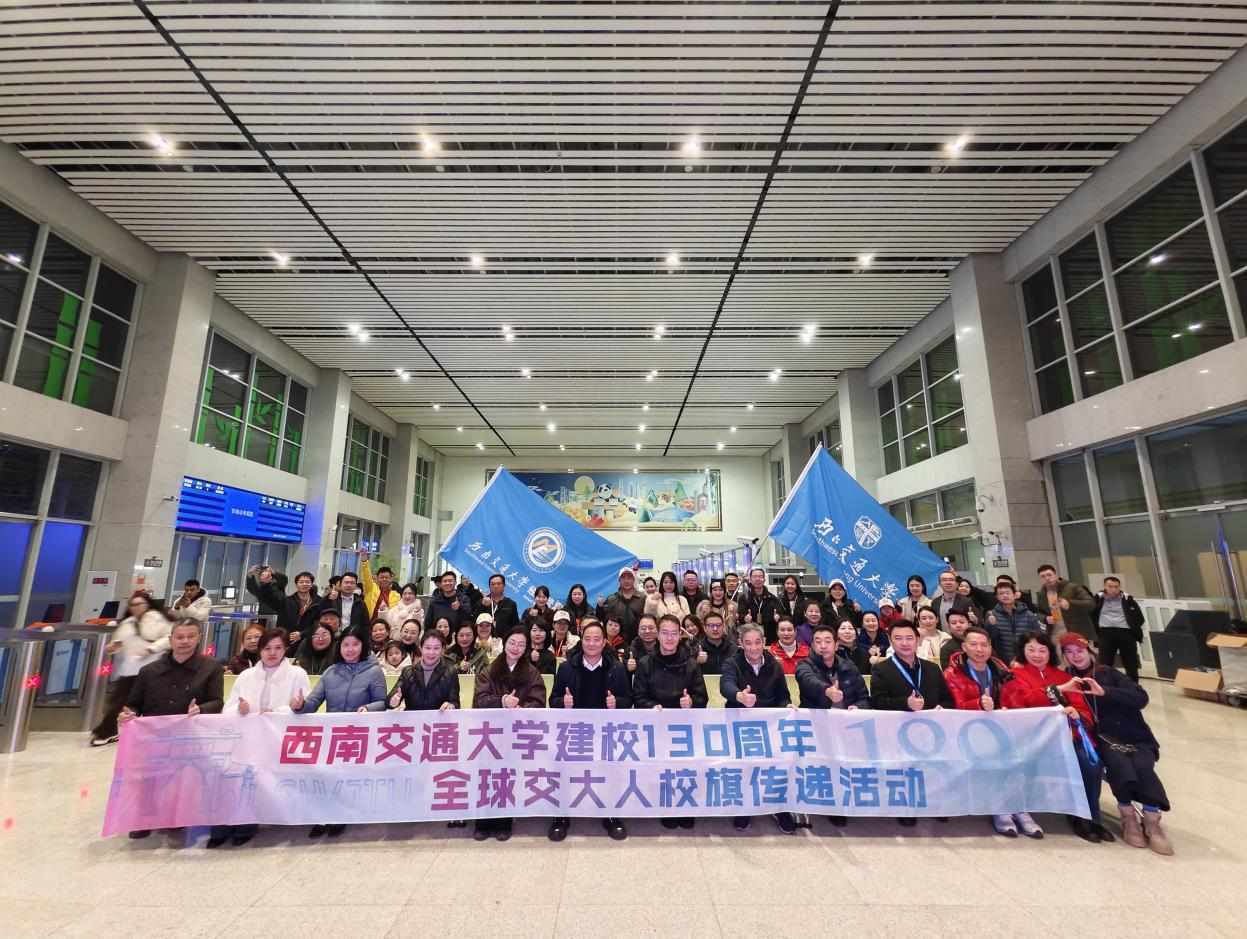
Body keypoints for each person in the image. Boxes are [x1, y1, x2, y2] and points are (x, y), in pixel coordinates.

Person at [1060, 632, 1172, 855]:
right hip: (1102, 739)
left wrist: (1105, 692)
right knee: (1119, 765)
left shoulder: (1108, 673)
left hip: (1135, 736)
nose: (1076, 656)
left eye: (1079, 650)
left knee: (1143, 766)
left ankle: (1152, 821)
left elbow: (1141, 698)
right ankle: (1128, 817)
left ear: (1089, 651)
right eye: (1069, 652)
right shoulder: (1067, 680)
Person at [118, 617, 224, 840]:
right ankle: (144, 820)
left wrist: (201, 709)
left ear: (199, 638)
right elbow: (134, 703)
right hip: (154, 736)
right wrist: (128, 714)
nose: (185, 641)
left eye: (190, 636)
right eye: (180, 637)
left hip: (190, 736)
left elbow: (217, 702)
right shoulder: (149, 671)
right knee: (149, 780)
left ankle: (178, 817)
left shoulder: (211, 668)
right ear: (171, 639)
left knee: (184, 780)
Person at [1003, 631, 1111, 843]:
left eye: (1042, 650)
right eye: (1031, 650)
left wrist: (1077, 714)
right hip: (1031, 740)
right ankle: (1076, 813)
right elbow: (1020, 703)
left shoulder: (1064, 676)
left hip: (1066, 736)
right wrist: (1056, 691)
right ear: (1022, 652)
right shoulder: (1014, 675)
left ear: (1050, 653)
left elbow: (1082, 707)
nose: (1037, 655)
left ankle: (1089, 816)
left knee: (1090, 764)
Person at [213, 628, 310, 847]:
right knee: (239, 778)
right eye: (267, 648)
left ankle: (253, 823)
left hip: (280, 739)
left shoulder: (297, 674)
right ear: (260, 650)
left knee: (263, 781)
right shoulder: (246, 676)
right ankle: (230, 824)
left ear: (285, 649)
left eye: (278, 648)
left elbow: (304, 706)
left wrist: (280, 711)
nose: (272, 653)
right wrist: (241, 710)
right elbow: (229, 708)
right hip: (248, 739)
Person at [942, 627, 1038, 838]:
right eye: (973, 644)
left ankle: (1020, 809)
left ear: (990, 647)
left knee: (1019, 755)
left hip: (1001, 728)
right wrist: (978, 703)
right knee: (995, 756)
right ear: (964, 647)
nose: (979, 649)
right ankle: (1001, 809)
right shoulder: (952, 674)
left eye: (984, 645)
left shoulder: (1002, 670)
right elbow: (955, 706)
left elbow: (1015, 699)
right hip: (967, 732)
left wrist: (1006, 709)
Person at [295, 628, 386, 838]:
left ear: (363, 646)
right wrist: (300, 706)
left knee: (346, 779)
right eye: (346, 645)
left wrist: (368, 708)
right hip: (332, 735)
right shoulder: (331, 672)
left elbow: (383, 702)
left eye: (355, 644)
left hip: (359, 736)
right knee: (326, 777)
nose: (350, 649)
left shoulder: (374, 671)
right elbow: (313, 702)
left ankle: (340, 816)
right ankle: (322, 816)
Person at [548, 620, 633, 841]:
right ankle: (561, 816)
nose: (592, 643)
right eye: (587, 639)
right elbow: (553, 700)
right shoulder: (567, 667)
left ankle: (611, 814)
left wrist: (617, 703)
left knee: (609, 771)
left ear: (604, 642)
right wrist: (563, 702)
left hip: (606, 732)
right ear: (581, 641)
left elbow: (628, 700)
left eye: (597, 639)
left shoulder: (617, 668)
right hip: (574, 731)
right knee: (566, 772)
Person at [869, 619, 953, 826]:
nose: (904, 643)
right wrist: (905, 703)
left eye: (909, 638)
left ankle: (934, 804)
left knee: (931, 768)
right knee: (904, 770)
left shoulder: (932, 668)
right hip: (898, 732)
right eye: (898, 638)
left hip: (930, 731)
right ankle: (906, 807)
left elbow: (947, 699)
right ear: (891, 641)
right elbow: (877, 703)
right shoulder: (881, 669)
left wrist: (941, 708)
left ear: (918, 640)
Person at [633, 615, 709, 829]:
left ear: (680, 636)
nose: (669, 638)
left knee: (684, 769)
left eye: (674, 633)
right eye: (665, 633)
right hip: (656, 727)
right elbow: (638, 697)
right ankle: (666, 806)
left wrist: (691, 702)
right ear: (657, 635)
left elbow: (702, 698)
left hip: (684, 728)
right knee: (663, 770)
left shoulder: (691, 664)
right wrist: (651, 707)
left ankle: (685, 806)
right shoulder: (645, 663)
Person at [721, 624, 797, 834]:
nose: (753, 648)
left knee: (776, 766)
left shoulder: (774, 665)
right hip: (740, 724)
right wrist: (739, 696)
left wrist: (786, 706)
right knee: (744, 768)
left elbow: (783, 695)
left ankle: (779, 808)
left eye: (757, 642)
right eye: (748, 643)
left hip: (769, 724)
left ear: (764, 642)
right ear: (740, 644)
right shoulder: (732, 663)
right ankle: (744, 807)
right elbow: (725, 685)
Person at [473, 628, 547, 840]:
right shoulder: (488, 670)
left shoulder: (532, 673)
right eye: (512, 643)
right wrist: (502, 701)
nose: (516, 648)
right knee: (487, 776)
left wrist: (522, 708)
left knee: (507, 776)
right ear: (504, 644)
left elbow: (539, 701)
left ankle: (504, 822)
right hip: (491, 732)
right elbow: (480, 699)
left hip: (516, 732)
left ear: (526, 648)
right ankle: (482, 821)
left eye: (521, 645)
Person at [90, 591, 173, 746]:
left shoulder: (158, 619)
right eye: (132, 605)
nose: (135, 607)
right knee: (119, 701)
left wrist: (152, 648)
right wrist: (112, 647)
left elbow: (170, 637)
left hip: (152, 667)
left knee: (153, 701)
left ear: (147, 604)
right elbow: (117, 642)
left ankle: (153, 731)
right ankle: (107, 731)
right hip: (130, 668)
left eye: (138, 604)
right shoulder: (128, 623)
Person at [387, 630, 460, 712]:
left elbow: (455, 702)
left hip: (439, 718)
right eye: (427, 648)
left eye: (436, 648)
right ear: (421, 648)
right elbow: (390, 699)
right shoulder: (408, 672)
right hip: (413, 718)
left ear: (442, 650)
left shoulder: (450, 672)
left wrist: (451, 706)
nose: (431, 652)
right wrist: (393, 701)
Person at [1090, 576, 1146, 682]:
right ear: (1105, 586)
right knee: (1105, 663)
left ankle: (1133, 686)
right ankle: (1107, 685)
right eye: (1110, 586)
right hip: (1106, 632)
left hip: (1126, 632)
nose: (1113, 589)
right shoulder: (1097, 598)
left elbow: (1140, 618)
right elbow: (1091, 614)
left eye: (1116, 587)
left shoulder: (1127, 599)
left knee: (1131, 662)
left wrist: (1133, 628)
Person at [1033, 563, 1096, 640]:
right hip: (1055, 634)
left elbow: (1091, 604)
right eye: (1043, 576)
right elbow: (1039, 613)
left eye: (1049, 575)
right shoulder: (1041, 594)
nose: (1047, 578)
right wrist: (1045, 618)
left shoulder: (1072, 587)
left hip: (1077, 632)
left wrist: (1070, 603)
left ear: (1055, 575)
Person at [987, 581, 1043, 665]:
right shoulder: (991, 615)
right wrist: (992, 625)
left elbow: (1038, 636)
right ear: (997, 597)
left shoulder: (1028, 614)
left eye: (1007, 593)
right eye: (1001, 593)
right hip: (1003, 660)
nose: (1005, 595)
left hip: (1026, 658)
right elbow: (991, 640)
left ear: (1014, 595)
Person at [596, 567, 646, 643]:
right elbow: (602, 619)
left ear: (634, 580)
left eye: (629, 578)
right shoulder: (611, 599)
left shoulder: (642, 598)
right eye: (623, 578)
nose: (626, 581)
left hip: (639, 641)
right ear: (619, 580)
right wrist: (599, 607)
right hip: (617, 642)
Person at [278, 570, 320, 645]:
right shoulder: (287, 601)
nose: (304, 584)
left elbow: (319, 623)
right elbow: (281, 623)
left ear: (311, 584)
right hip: (290, 640)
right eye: (301, 582)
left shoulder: (319, 602)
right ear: (296, 584)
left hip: (310, 640)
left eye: (307, 582)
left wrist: (302, 634)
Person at [740, 567, 780, 642]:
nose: (757, 579)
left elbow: (780, 614)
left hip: (769, 637)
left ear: (764, 579)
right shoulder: (744, 598)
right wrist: (744, 618)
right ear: (750, 579)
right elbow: (740, 615)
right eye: (755, 576)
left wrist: (778, 618)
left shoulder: (772, 598)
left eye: (760, 576)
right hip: (750, 637)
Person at [324, 570, 368, 635]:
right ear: (340, 584)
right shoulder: (333, 598)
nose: (349, 585)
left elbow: (366, 624)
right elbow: (320, 613)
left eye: (352, 583)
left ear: (356, 586)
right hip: (333, 636)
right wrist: (328, 599)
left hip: (352, 636)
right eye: (346, 582)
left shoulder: (360, 603)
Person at [360, 555, 401, 622]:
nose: (384, 579)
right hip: (369, 624)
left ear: (391, 579)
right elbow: (366, 577)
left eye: (387, 577)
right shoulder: (371, 588)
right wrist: (364, 562)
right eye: (382, 577)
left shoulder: (396, 596)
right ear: (377, 578)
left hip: (387, 625)